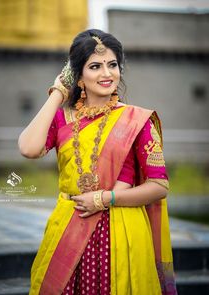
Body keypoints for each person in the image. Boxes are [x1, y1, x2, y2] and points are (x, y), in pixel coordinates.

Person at [18, 29, 178, 295]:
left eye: (112, 65)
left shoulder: (137, 121)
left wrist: (105, 199)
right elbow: (28, 148)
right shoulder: (63, 120)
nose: (107, 74)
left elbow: (159, 185)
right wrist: (58, 91)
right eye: (95, 66)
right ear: (78, 76)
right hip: (69, 229)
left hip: (122, 233)